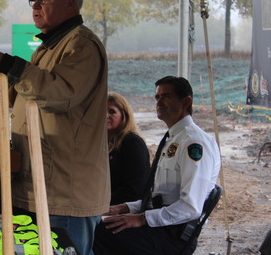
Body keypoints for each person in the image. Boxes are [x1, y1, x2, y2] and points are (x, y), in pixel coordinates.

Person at [0, 0, 109, 255]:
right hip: (40, 185)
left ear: (70, 3)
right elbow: (25, 99)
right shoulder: (47, 47)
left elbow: (60, 95)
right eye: (32, 0)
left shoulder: (80, 45)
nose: (35, 7)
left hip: (65, 191)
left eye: (43, 0)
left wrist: (11, 65)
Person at [93, 76, 221, 255]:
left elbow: (190, 207)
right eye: (157, 97)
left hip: (172, 234)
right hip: (158, 226)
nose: (159, 102)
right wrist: (125, 207)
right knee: (95, 224)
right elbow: (159, 198)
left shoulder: (194, 143)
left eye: (166, 96)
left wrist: (142, 218)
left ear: (186, 101)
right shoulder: (173, 139)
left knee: (96, 235)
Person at [106, 92, 150, 205]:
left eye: (112, 111)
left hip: (124, 212)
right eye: (101, 111)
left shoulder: (132, 143)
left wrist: (101, 202)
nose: (106, 115)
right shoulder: (100, 144)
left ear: (124, 116)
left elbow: (134, 189)